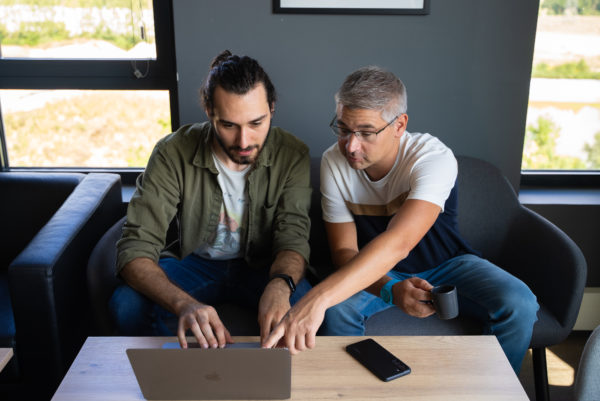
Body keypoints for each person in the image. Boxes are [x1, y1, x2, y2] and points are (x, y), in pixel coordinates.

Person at [264, 66, 539, 373]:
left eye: (366, 133)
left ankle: (496, 390)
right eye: (343, 129)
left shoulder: (432, 157)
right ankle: (352, 393)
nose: (351, 146)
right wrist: (389, 289)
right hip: (376, 271)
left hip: (450, 265)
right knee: (338, 312)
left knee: (520, 303)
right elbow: (344, 253)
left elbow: (400, 242)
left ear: (399, 125)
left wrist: (315, 299)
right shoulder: (334, 162)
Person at [110, 50, 312, 349]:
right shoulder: (172, 152)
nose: (244, 141)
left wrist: (280, 285)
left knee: (308, 310)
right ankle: (178, 382)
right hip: (194, 263)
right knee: (125, 306)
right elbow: (135, 247)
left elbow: (293, 238)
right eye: (228, 125)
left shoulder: (292, 154)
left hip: (260, 267)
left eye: (256, 123)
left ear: (272, 107)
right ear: (208, 110)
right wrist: (183, 304)